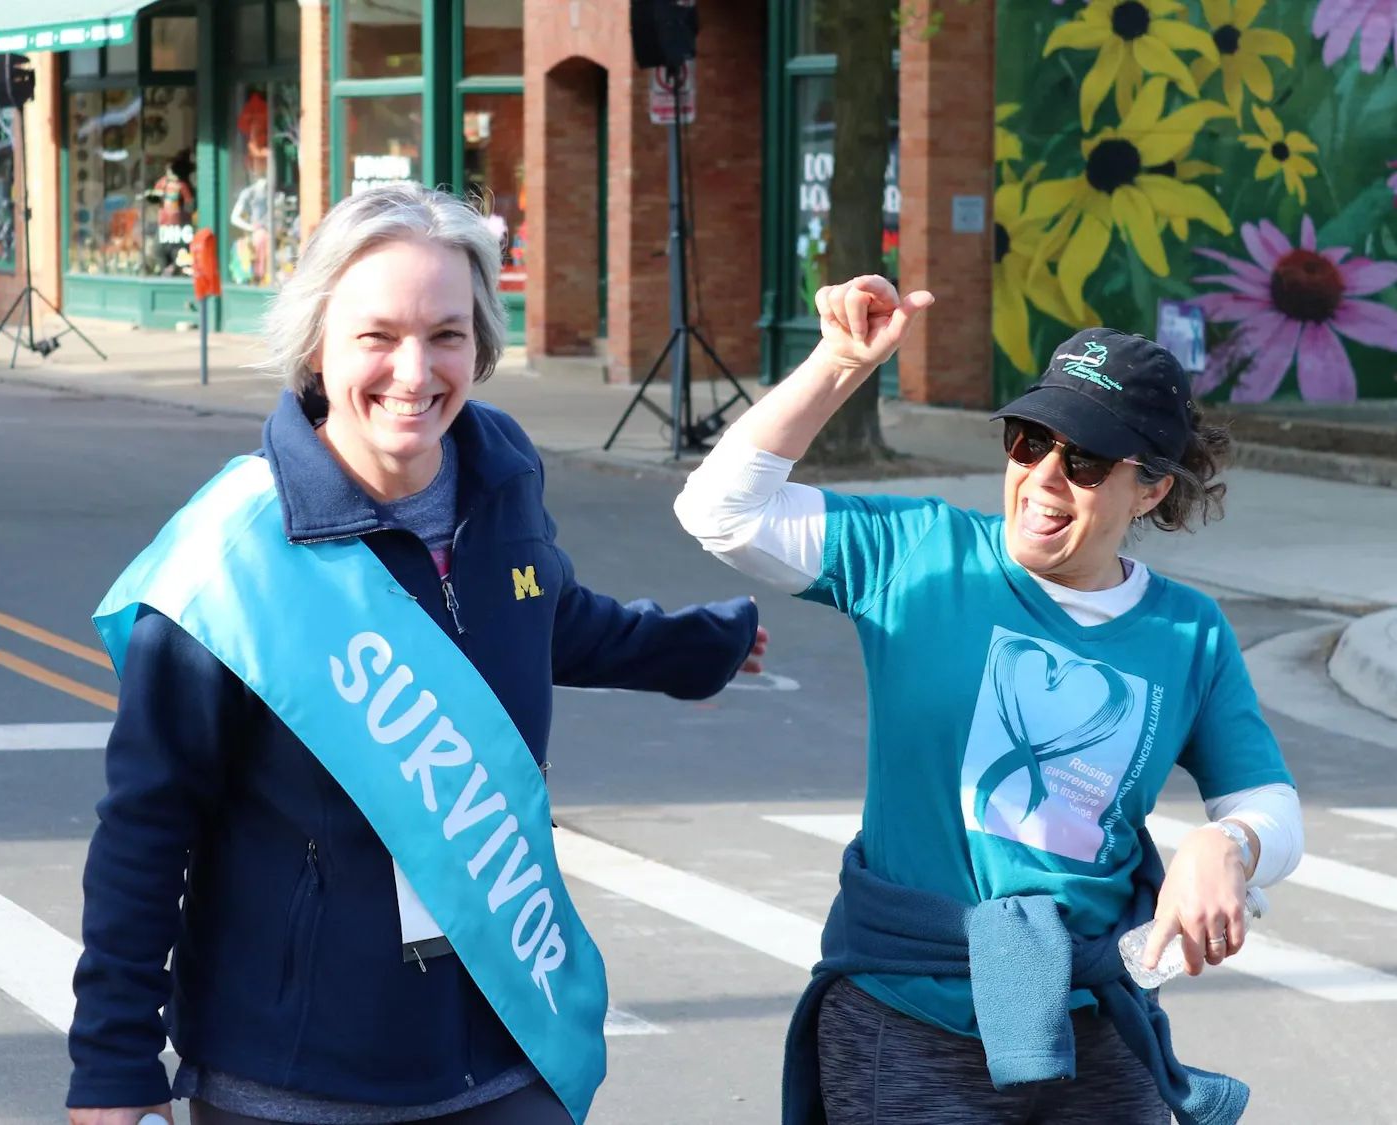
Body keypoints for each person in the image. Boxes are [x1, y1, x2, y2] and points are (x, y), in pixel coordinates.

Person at [67, 183, 768, 1125]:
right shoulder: (232, 563)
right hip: (298, 1075)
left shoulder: (500, 473)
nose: (415, 369)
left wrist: (694, 648)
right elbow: (146, 829)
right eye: (378, 335)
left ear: (480, 341)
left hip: (503, 1038)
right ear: (318, 342)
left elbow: (541, 614)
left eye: (447, 333)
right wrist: (112, 1067)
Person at [674, 275, 1304, 1125]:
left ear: (1150, 488)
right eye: (1028, 440)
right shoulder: (919, 553)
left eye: (1082, 461)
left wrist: (1227, 844)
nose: (1043, 478)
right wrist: (837, 363)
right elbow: (719, 511)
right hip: (910, 1017)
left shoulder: (1186, 631)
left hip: (1094, 1023)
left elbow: (1267, 800)